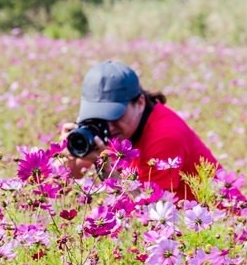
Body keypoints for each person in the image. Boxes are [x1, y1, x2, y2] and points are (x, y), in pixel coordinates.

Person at [61, 60, 220, 201]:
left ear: (140, 103)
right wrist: (68, 155)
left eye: (115, 115)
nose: (108, 127)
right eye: (98, 116)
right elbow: (63, 190)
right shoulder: (108, 128)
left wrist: (108, 168)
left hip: (219, 224)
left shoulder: (165, 136)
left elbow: (149, 216)